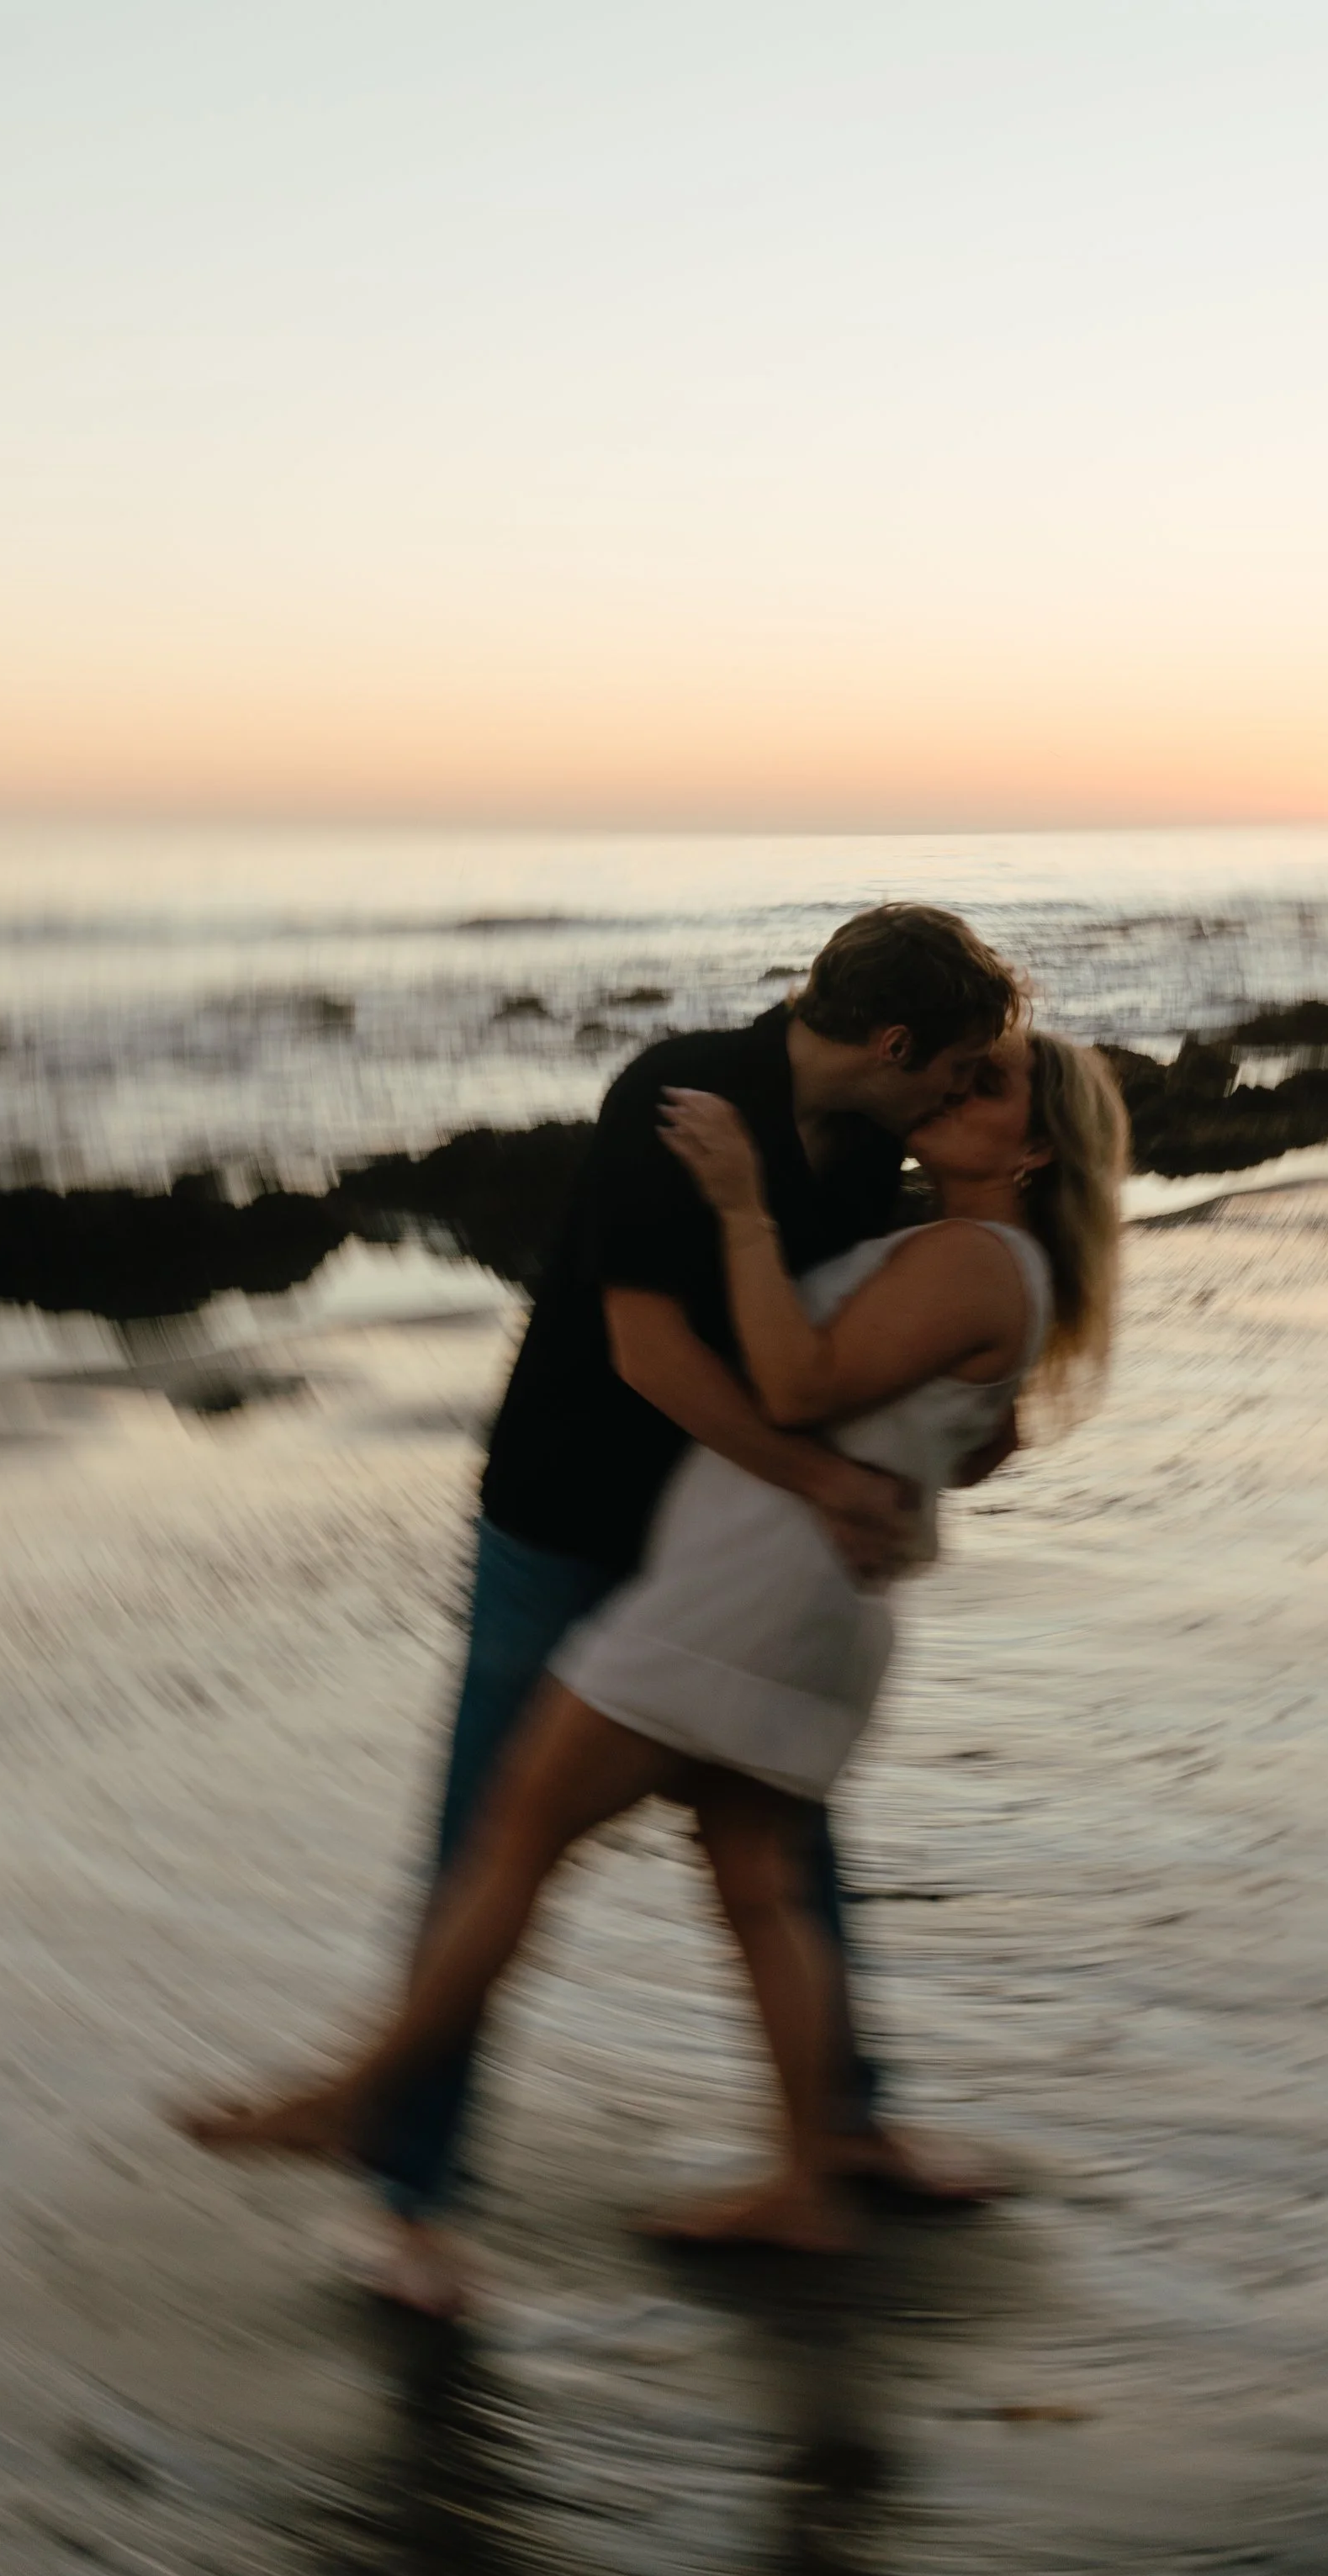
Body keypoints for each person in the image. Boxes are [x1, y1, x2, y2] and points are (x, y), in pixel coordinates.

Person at [180, 1029, 1128, 2258]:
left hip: (740, 1600)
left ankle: (367, 2105)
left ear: (1037, 1145)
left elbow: (793, 1381)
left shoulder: (968, 1256)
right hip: (785, 1603)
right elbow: (975, 1430)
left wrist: (736, 1204)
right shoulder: (950, 1244)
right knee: (760, 1887)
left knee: (517, 1833)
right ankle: (810, 2173)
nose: (954, 1080)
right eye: (958, 1061)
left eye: (986, 1081)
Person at [309, 906, 1021, 2314]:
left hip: (719, 1540)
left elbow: (834, 1334)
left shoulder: (872, 1142)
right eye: (961, 1063)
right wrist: (820, 1480)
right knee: (489, 1833)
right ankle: (406, 2201)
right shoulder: (684, 1097)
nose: (966, 1089)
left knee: (784, 1827)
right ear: (895, 1043)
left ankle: (843, 2128)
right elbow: (649, 1351)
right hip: (566, 1521)